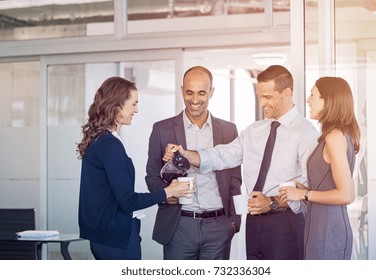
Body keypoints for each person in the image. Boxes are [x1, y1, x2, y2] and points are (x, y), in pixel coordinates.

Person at [164, 65, 319, 260]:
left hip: (286, 222)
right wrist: (186, 154)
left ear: (287, 93)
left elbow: (310, 188)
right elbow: (222, 155)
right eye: (259, 96)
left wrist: (272, 203)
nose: (262, 103)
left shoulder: (306, 133)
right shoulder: (255, 130)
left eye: (268, 97)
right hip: (254, 222)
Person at [77, 76, 192, 260]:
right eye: (133, 104)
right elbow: (128, 202)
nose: (136, 110)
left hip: (103, 238)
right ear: (117, 105)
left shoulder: (100, 141)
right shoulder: (110, 145)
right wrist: (169, 192)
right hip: (116, 241)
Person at [145, 66, 242, 260]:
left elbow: (235, 181)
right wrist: (166, 196)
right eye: (189, 92)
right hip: (179, 224)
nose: (195, 100)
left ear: (211, 92)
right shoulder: (162, 129)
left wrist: (233, 222)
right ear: (182, 90)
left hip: (218, 226)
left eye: (201, 93)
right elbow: (152, 175)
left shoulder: (229, 130)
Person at [279, 77, 360, 259]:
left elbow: (346, 195)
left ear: (328, 101)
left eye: (313, 94)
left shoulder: (335, 138)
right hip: (319, 226)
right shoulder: (331, 136)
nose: (308, 99)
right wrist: (304, 189)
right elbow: (328, 185)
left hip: (328, 229)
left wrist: (303, 195)